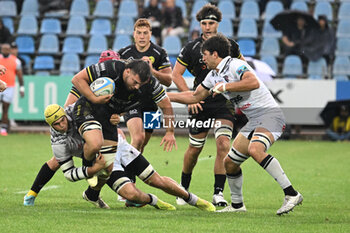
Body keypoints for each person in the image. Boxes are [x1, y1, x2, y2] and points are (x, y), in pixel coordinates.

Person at [168, 34, 303, 215]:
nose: (203, 58)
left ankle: (291, 194)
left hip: (270, 115)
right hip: (254, 121)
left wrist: (226, 87)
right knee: (230, 162)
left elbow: (253, 82)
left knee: (256, 150)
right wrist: (165, 97)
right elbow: (195, 96)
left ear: (215, 54)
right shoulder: (212, 76)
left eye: (205, 54)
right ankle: (238, 206)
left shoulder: (235, 65)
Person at [23, 50, 121, 206]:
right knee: (60, 159)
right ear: (101, 64)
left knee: (111, 156)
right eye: (109, 63)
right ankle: (32, 193)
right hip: (79, 126)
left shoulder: (118, 83)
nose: (112, 66)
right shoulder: (87, 82)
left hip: (96, 127)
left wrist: (114, 119)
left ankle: (98, 193)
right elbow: (69, 107)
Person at [171, 3, 245, 207]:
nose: (207, 27)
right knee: (195, 149)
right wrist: (189, 98)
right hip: (200, 103)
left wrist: (235, 89)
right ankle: (183, 188)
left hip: (224, 102)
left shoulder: (230, 46)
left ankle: (218, 193)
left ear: (218, 24)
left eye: (211, 23)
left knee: (223, 144)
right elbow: (175, 74)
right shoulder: (191, 48)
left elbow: (243, 68)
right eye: (204, 23)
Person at [118, 18, 173, 152]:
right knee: (137, 138)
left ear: (150, 34)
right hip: (131, 101)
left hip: (151, 103)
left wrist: (152, 71)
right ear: (134, 34)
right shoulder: (124, 53)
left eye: (145, 33)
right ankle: (126, 169)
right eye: (139, 33)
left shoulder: (160, 53)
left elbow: (168, 80)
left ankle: (133, 169)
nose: (142, 36)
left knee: (142, 145)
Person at [0, 43, 24, 136]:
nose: (5, 50)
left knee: (5, 108)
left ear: (10, 50)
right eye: (3, 49)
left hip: (9, 87)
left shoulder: (16, 61)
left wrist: (22, 88)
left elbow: (20, 75)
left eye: (7, 49)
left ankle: (3, 128)